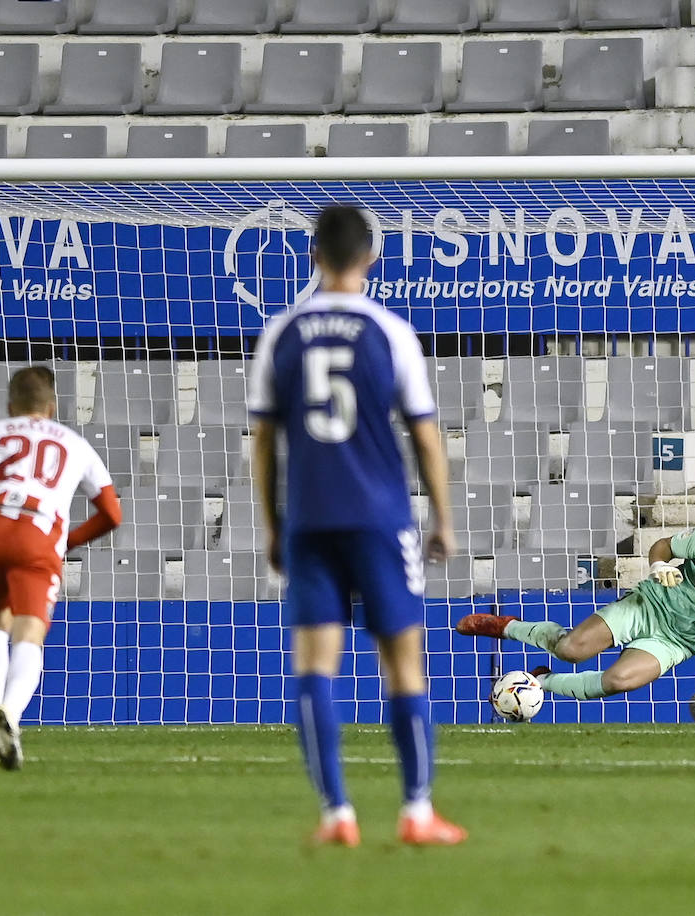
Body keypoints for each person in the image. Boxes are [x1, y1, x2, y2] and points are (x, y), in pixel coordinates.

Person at [248, 206, 465, 847]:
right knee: (403, 664)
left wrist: (271, 526)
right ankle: (416, 811)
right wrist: (443, 519)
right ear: (370, 259)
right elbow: (425, 436)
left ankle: (336, 814)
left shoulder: (281, 332)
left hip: (310, 520)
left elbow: (262, 441)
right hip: (379, 517)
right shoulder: (389, 331)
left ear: (313, 255)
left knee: (315, 664)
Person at [0, 366, 122, 770]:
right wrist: (67, 541)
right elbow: (112, 514)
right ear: (51, 406)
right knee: (29, 632)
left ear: (11, 405)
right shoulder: (75, 443)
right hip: (37, 532)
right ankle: (10, 717)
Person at [455, 498, 695, 703]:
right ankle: (506, 627)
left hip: (675, 642)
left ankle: (541, 683)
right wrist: (657, 566)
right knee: (571, 648)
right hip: (648, 606)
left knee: (619, 681)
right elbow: (664, 545)